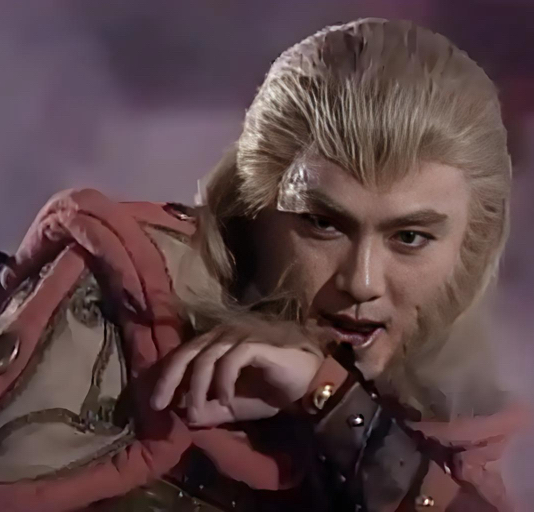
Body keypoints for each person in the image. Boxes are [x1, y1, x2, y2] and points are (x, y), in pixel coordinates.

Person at [0, 18, 526, 512]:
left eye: (409, 238)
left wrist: (327, 396)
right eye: (323, 224)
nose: (361, 282)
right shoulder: (122, 299)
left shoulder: (444, 395)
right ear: (253, 208)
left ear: (471, 243)